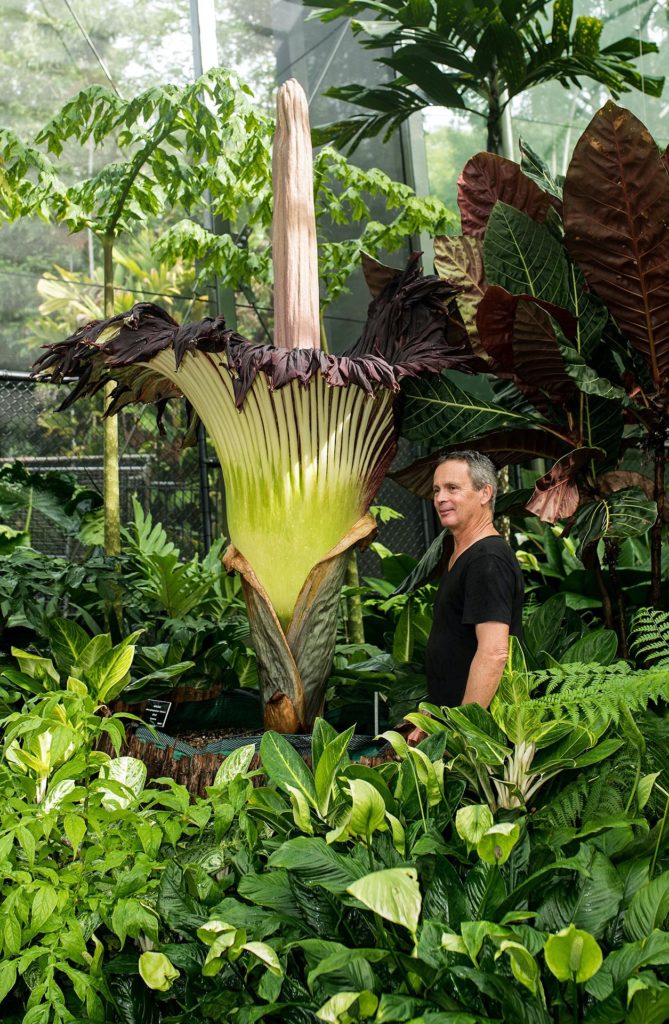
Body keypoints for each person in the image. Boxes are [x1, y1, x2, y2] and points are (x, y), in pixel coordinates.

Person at [407, 451, 524, 745]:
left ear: (485, 493)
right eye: (436, 490)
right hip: (456, 724)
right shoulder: (463, 554)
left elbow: (494, 653)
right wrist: (435, 719)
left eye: (452, 488)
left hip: (480, 742)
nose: (440, 498)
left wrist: (459, 733)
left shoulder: (488, 560)